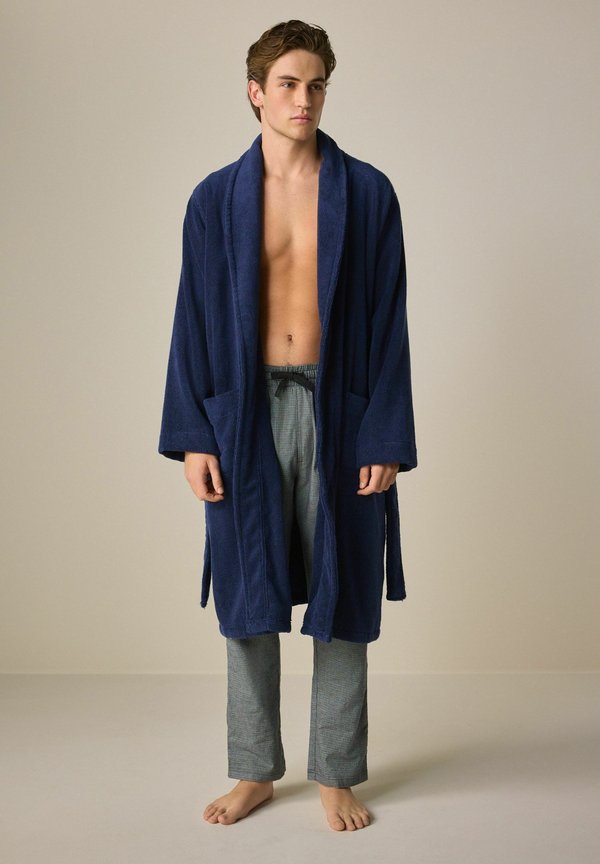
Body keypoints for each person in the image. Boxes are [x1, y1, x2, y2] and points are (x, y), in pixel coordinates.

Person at [158, 20, 417, 831]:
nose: (305, 99)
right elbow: (192, 320)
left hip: (342, 409)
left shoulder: (367, 193)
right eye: (289, 85)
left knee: (344, 590)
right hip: (243, 411)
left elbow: (390, 320)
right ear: (256, 93)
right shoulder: (215, 199)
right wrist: (194, 435)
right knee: (247, 590)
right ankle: (254, 770)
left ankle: (336, 773)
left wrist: (384, 435)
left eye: (317, 85)